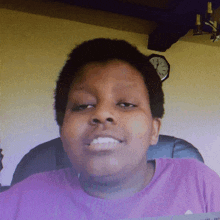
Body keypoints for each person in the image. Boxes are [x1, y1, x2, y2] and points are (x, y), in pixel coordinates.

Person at [0, 38, 219, 219]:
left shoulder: (200, 184)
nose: (102, 114)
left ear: (154, 129)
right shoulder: (17, 204)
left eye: (126, 104)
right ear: (62, 131)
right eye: (83, 105)